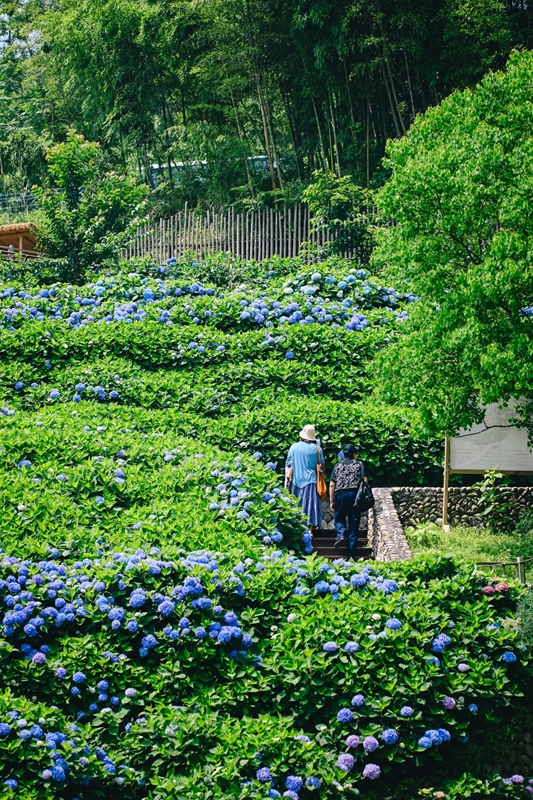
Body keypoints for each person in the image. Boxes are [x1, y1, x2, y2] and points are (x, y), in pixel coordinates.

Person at [285, 424, 325, 532]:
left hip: (296, 480)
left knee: (296, 504)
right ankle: (309, 529)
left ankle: (297, 529)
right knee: (310, 504)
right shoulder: (317, 449)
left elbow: (288, 464)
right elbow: (322, 466)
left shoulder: (293, 447)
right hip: (311, 481)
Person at [329, 443, 366, 558]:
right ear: (354, 455)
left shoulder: (337, 466)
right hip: (355, 495)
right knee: (354, 523)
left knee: (339, 517)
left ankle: (341, 535)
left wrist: (331, 500)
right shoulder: (359, 464)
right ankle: (351, 554)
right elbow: (364, 481)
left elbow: (331, 484)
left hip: (340, 495)